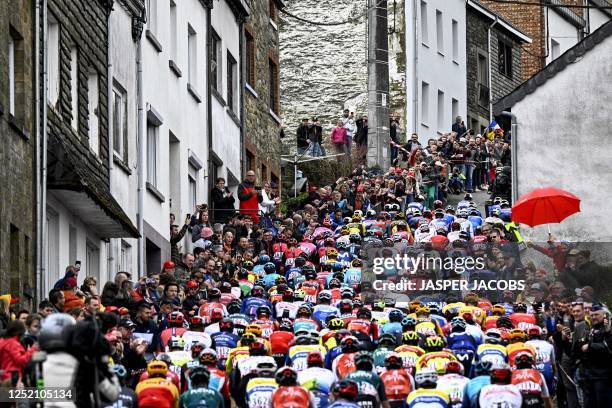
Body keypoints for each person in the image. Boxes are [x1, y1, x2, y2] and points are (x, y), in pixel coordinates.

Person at [0, 320, 38, 384]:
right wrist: (32, 350)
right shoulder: (13, 344)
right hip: (12, 376)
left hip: (4, 375)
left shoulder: (3, 341)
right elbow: (20, 360)